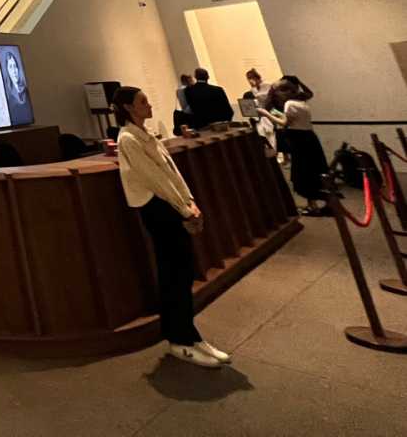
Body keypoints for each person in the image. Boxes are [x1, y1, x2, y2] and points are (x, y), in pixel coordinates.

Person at [112, 86, 231, 369]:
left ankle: (189, 333)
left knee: (183, 270)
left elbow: (171, 172)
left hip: (172, 206)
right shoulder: (128, 139)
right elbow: (155, 179)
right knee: (173, 273)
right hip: (158, 209)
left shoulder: (146, 134)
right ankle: (179, 339)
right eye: (143, 101)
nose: (149, 105)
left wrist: (189, 201)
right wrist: (183, 208)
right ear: (128, 107)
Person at [259, 78, 330, 216]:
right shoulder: (301, 102)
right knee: (315, 169)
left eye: (277, 90)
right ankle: (324, 202)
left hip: (299, 140)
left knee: (303, 172)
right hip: (309, 137)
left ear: (284, 91)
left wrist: (265, 113)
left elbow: (284, 122)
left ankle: (313, 206)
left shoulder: (289, 104)